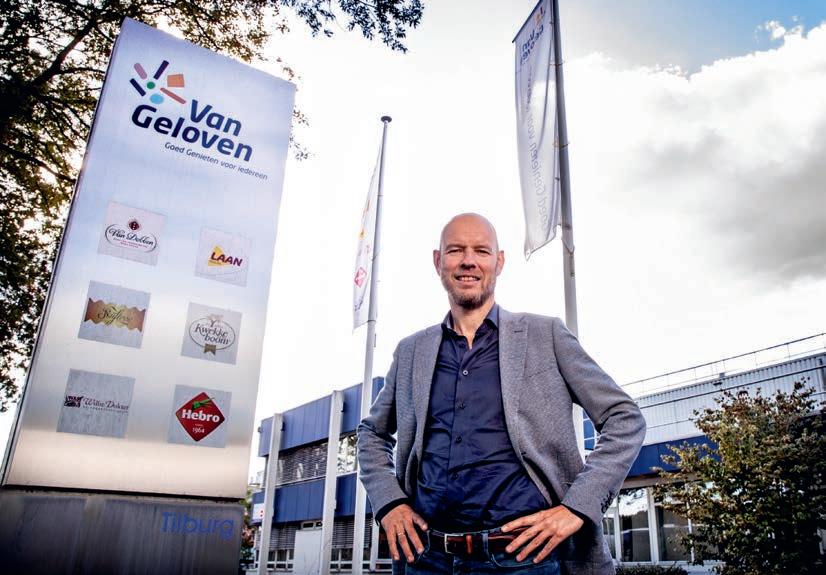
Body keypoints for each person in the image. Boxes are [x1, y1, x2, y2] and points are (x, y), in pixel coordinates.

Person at [357, 213, 645, 574]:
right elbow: (371, 433)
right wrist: (389, 503)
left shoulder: (546, 335)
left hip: (525, 561)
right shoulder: (411, 351)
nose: (468, 261)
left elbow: (624, 418)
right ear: (438, 261)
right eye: (455, 250)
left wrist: (577, 507)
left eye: (481, 251)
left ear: (499, 261)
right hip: (427, 558)